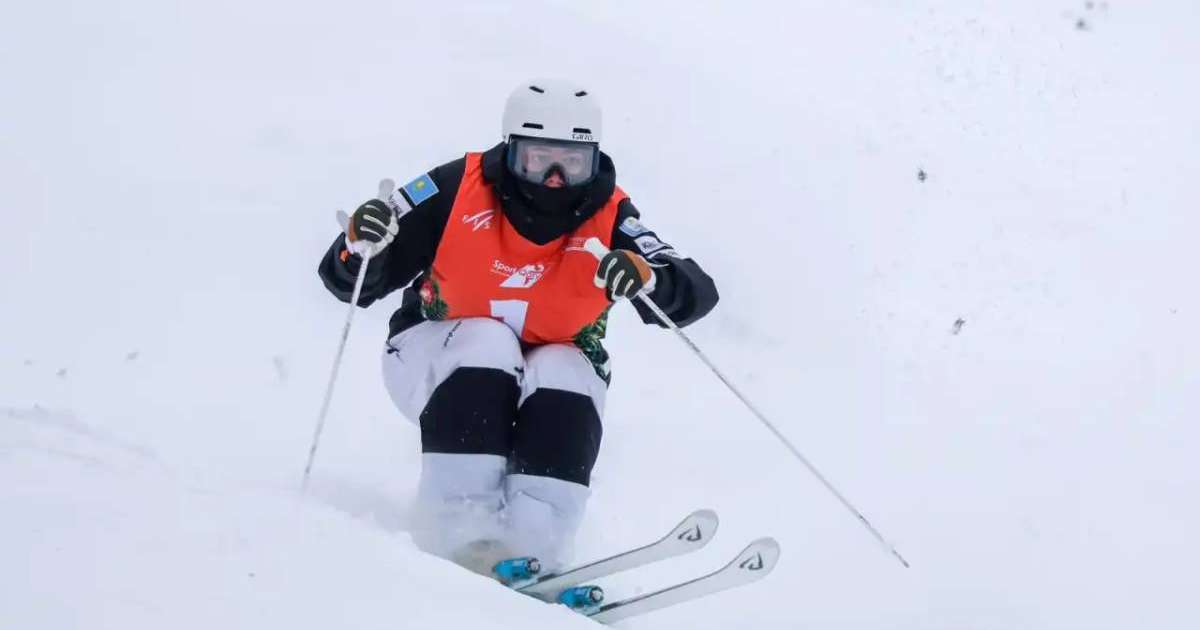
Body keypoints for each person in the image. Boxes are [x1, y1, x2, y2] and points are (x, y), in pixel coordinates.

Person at [317, 79, 719, 575]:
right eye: (538, 160)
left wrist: (650, 278)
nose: (554, 179)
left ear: (594, 159)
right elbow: (351, 280)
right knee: (490, 342)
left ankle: (535, 549)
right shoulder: (456, 188)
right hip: (432, 362)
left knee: (566, 367)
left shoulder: (610, 214)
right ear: (510, 152)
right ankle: (456, 530)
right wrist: (360, 246)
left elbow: (696, 292)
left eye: (572, 163)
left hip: (540, 379)